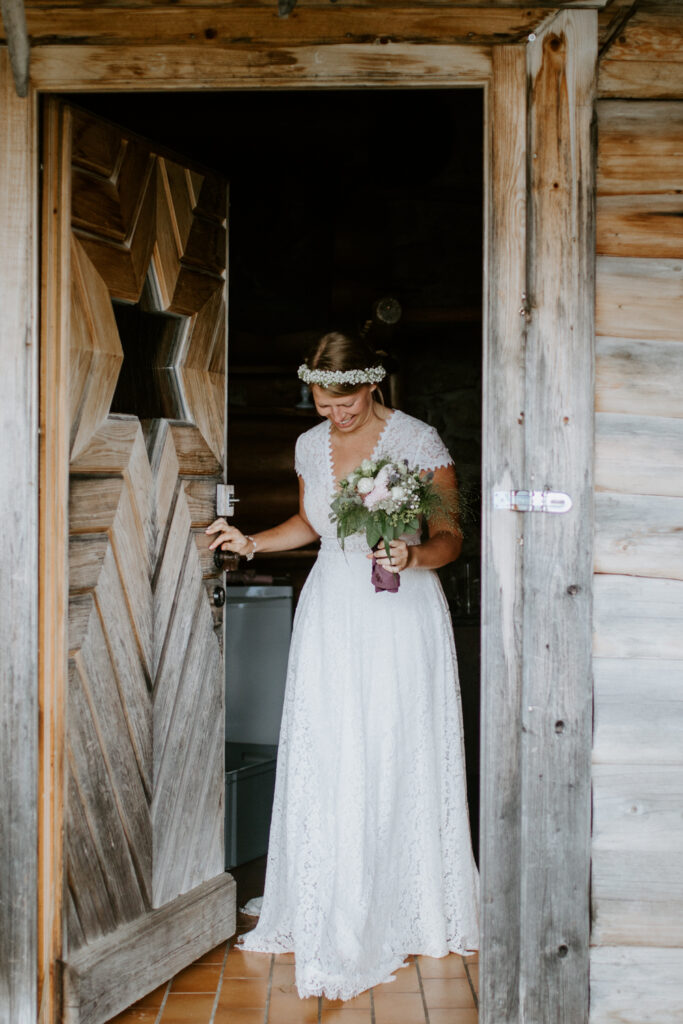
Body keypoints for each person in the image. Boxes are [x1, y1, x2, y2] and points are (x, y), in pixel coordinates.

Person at [206, 331, 479, 1001]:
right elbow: (313, 524)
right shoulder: (308, 445)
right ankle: (328, 893)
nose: (335, 416)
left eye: (347, 403)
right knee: (332, 746)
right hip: (331, 608)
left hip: (398, 610)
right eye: (324, 405)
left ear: (371, 385)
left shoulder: (416, 440)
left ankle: (401, 900)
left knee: (390, 743)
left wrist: (412, 557)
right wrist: (250, 541)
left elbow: (449, 531)